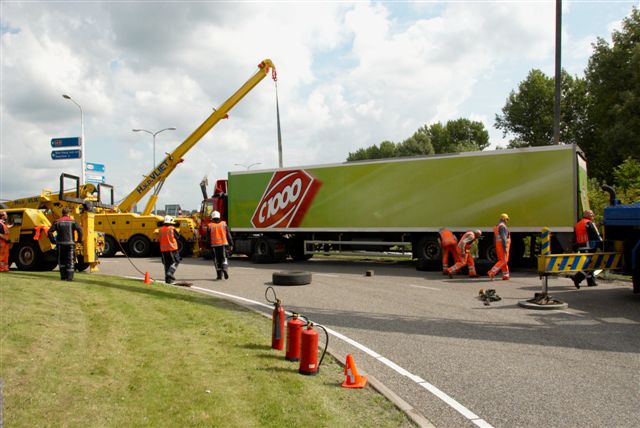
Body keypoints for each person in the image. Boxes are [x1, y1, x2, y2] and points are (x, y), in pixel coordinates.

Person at [47, 206, 82, 281]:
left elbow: (49, 232)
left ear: (62, 213)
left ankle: (63, 277)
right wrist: (79, 240)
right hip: (70, 243)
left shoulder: (57, 222)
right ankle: (70, 277)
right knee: (70, 260)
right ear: (68, 213)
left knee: (62, 260)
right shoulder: (73, 221)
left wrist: (53, 241)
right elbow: (80, 230)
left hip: (60, 244)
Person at [571, 209, 602, 289]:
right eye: (591, 214)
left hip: (582, 247)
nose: (593, 215)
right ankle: (577, 277)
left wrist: (574, 248)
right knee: (594, 264)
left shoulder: (578, 224)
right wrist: (602, 246)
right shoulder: (589, 223)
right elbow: (596, 235)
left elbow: (575, 237)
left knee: (588, 264)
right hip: (590, 246)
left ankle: (591, 282)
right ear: (587, 215)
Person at [207, 210, 233, 280]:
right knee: (224, 258)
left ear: (212, 217)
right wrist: (231, 244)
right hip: (224, 244)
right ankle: (225, 268)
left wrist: (207, 246)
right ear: (219, 216)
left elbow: (208, 238)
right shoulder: (224, 224)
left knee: (217, 260)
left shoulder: (210, 225)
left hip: (214, 246)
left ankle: (219, 275)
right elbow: (228, 235)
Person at [488, 213, 511, 280]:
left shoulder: (496, 226)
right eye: (507, 219)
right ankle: (491, 272)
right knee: (503, 260)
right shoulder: (502, 227)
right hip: (503, 245)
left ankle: (505, 275)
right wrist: (505, 248)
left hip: (498, 245)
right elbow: (504, 238)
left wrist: (495, 247)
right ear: (504, 219)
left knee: (503, 261)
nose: (507, 221)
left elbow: (495, 238)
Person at [159, 215, 181, 284]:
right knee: (176, 262)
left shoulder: (161, 229)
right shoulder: (172, 228)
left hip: (163, 250)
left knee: (167, 264)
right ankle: (170, 272)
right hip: (172, 249)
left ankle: (168, 280)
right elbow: (178, 237)